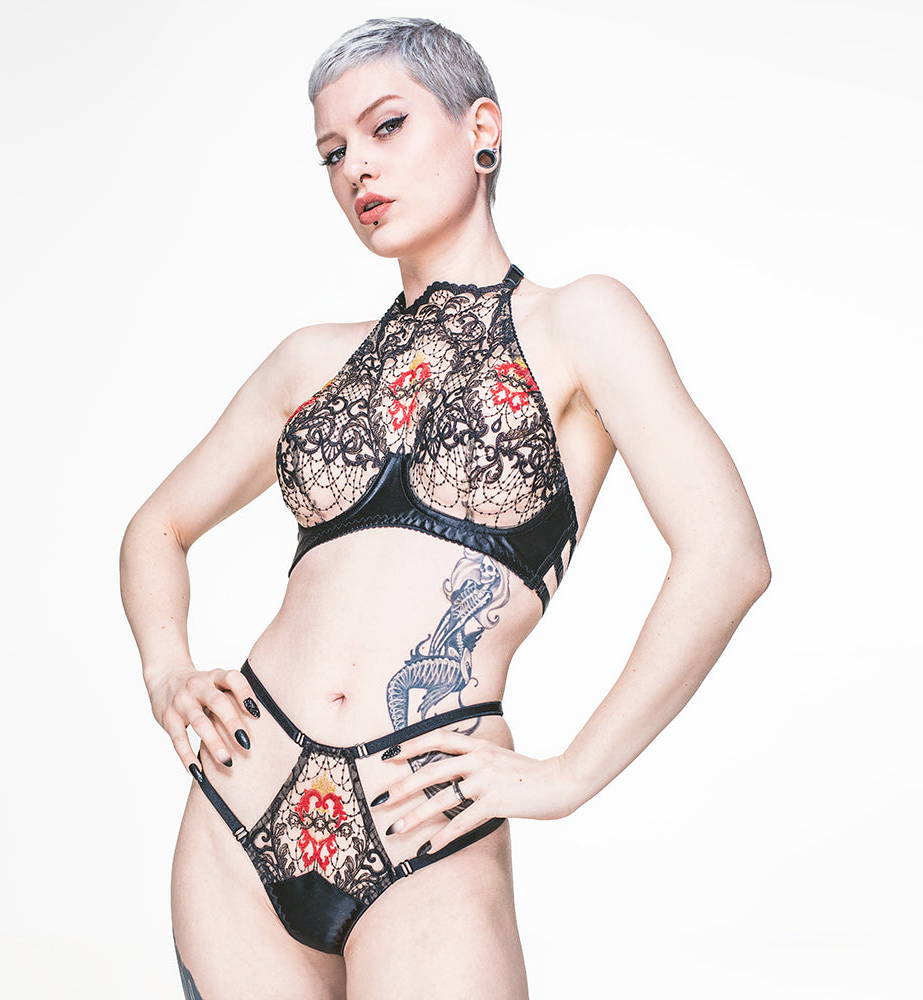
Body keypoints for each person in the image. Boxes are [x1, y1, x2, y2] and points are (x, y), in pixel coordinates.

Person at [120, 16, 770, 1000]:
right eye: (332, 151)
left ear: (481, 130)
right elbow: (156, 529)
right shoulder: (309, 359)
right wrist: (167, 670)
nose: (355, 168)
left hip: (423, 812)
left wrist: (569, 773)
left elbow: (727, 555)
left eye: (386, 126)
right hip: (240, 798)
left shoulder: (580, 322)